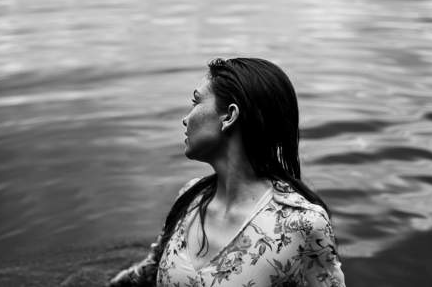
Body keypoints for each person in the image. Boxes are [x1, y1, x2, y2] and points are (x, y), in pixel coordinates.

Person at [109, 57, 345, 287]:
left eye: (196, 102)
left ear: (229, 116)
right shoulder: (190, 197)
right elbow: (150, 270)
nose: (185, 119)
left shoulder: (302, 224)